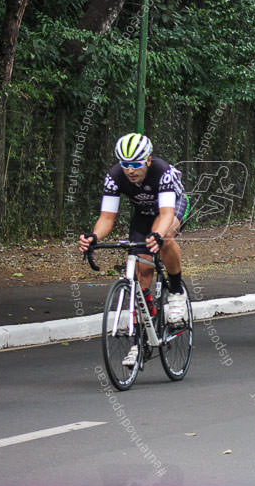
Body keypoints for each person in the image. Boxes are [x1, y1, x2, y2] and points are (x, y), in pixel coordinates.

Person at [78, 133, 190, 367]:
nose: (130, 170)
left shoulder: (163, 171)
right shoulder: (115, 176)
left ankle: (176, 292)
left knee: (166, 237)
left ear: (148, 160)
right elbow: (107, 217)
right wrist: (93, 236)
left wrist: (157, 235)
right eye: (125, 164)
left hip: (172, 206)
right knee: (141, 268)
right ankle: (141, 341)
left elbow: (166, 214)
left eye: (135, 164)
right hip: (143, 213)